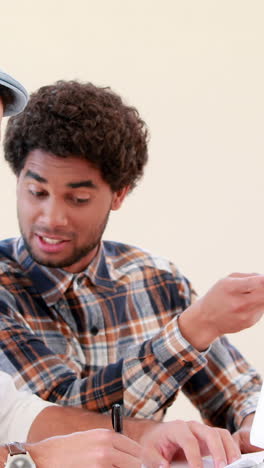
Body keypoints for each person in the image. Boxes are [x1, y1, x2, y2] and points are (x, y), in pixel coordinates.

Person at [0, 78, 263, 465]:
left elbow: (240, 392)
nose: (51, 217)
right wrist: (194, 328)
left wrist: (252, 426)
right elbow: (53, 410)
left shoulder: (156, 280)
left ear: (119, 194)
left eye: (78, 198)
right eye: (36, 192)